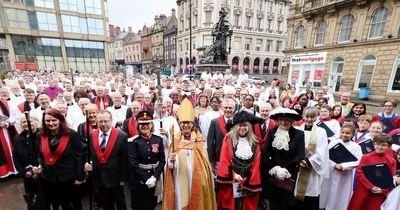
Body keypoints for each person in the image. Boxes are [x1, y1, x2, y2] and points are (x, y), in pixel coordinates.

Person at [163, 99, 216, 210]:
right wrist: (171, 161)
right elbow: (170, 167)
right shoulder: (175, 140)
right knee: (181, 201)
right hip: (180, 179)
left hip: (197, 181)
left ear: (192, 124)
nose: (186, 125)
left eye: (188, 123)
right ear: (180, 124)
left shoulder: (199, 139)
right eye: (183, 123)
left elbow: (204, 161)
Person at [37, 108, 84, 209]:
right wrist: (40, 164)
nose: (51, 123)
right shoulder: (40, 135)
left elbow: (79, 156)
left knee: (74, 203)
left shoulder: (72, 134)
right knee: (56, 203)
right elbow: (40, 155)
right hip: (49, 178)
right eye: (47, 121)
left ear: (60, 120)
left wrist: (79, 176)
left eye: (54, 120)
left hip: (69, 177)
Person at [216, 111, 263, 210]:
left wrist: (247, 180)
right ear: (235, 126)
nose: (242, 128)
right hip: (231, 181)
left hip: (248, 181)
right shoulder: (228, 139)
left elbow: (256, 164)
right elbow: (224, 160)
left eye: (245, 125)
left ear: (249, 127)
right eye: (239, 125)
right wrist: (234, 175)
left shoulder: (255, 142)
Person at [261, 107, 304, 210]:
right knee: (273, 200)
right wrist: (274, 168)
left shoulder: (299, 134)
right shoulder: (272, 132)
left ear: (292, 121)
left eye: (287, 120)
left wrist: (285, 169)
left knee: (285, 201)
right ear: (278, 120)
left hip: (289, 172)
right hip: (273, 171)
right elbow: (266, 151)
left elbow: (300, 154)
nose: (284, 122)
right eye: (281, 120)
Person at [85, 110, 128, 210]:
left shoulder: (121, 136)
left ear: (111, 120)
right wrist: (89, 163)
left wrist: (124, 178)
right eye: (100, 121)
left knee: (120, 201)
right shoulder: (92, 135)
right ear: (96, 121)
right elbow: (90, 154)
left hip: (116, 177)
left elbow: (124, 159)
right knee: (105, 202)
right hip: (99, 176)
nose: (103, 124)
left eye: (106, 121)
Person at [347, 134, 397, 210]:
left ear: (389, 147)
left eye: (383, 145)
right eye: (378, 144)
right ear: (373, 144)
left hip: (379, 192)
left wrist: (383, 190)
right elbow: (360, 172)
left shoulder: (392, 161)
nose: (380, 147)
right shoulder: (366, 157)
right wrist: (370, 186)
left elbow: (391, 178)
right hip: (364, 189)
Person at [128, 110, 165, 210]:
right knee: (138, 206)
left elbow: (162, 160)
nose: (145, 126)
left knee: (151, 205)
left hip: (153, 179)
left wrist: (155, 177)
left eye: (147, 123)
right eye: (142, 124)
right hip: (138, 181)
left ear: (151, 125)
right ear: (138, 126)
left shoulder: (158, 139)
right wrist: (146, 178)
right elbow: (133, 163)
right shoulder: (133, 142)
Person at [293, 107, 329, 210]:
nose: (309, 119)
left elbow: (322, 151)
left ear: (316, 117)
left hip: (311, 169)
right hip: (298, 168)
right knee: (295, 194)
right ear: (303, 117)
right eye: (307, 116)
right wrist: (298, 160)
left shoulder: (321, 132)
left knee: (309, 196)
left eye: (312, 117)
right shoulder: (297, 130)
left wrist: (308, 162)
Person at [319, 125, 362, 210]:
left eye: (348, 133)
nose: (345, 134)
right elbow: (325, 156)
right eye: (343, 132)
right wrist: (334, 165)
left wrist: (343, 166)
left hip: (344, 175)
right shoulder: (333, 143)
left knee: (340, 194)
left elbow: (358, 161)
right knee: (326, 191)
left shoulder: (356, 147)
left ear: (353, 134)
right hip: (331, 172)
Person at [12, 114, 43, 209]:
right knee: (32, 200)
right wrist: (24, 172)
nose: (26, 124)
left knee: (44, 199)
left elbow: (45, 155)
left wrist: (38, 170)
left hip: (42, 174)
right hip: (28, 175)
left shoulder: (42, 136)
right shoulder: (18, 138)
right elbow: (16, 157)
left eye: (29, 121)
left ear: (36, 122)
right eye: (23, 122)